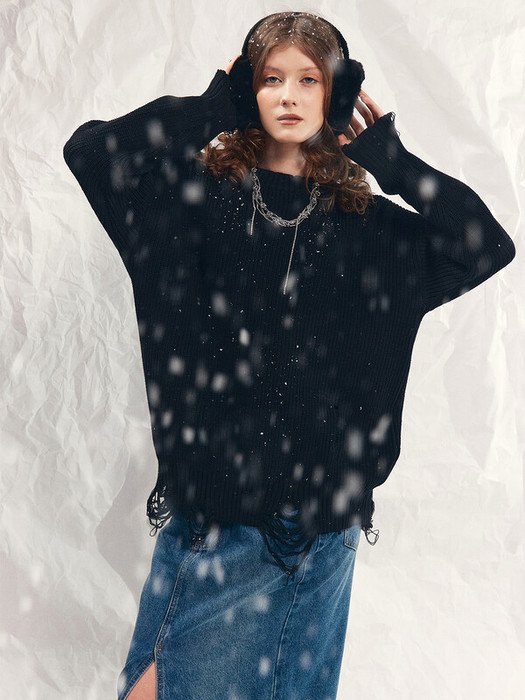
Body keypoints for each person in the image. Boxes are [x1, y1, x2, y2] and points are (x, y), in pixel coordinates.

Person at [63, 11, 515, 700]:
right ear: (248, 89)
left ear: (336, 94)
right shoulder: (185, 203)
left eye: (309, 79)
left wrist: (393, 163)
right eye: (271, 78)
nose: (289, 95)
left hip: (323, 537)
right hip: (219, 526)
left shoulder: (371, 230)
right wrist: (211, 108)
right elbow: (93, 154)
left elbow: (485, 245)